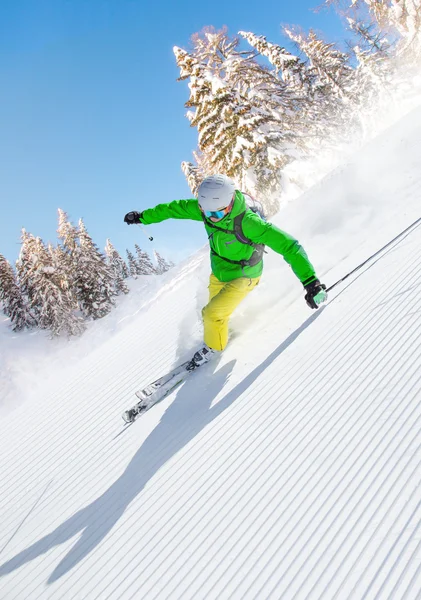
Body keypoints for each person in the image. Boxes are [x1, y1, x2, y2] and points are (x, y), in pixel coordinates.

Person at [124, 174, 326, 370]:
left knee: (211, 314)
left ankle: (214, 348)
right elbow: (173, 209)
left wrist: (311, 282)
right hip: (220, 273)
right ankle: (222, 332)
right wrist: (143, 217)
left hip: (245, 275)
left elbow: (289, 246)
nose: (213, 218)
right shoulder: (207, 211)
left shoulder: (249, 222)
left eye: (218, 213)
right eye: (207, 213)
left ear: (229, 205)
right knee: (211, 314)